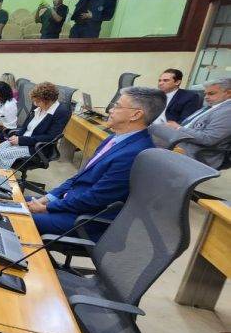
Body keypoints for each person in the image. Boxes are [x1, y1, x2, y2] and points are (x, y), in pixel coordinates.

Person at [27, 87, 164, 239]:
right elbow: (79, 178)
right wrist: (48, 199)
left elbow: (95, 198)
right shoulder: (113, 139)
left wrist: (48, 208)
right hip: (72, 203)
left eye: (117, 106)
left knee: (18, 220)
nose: (110, 110)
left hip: (86, 219)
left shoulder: (135, 153)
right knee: (15, 200)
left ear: (136, 114)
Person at [0, 82, 70, 170]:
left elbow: (50, 137)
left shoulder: (60, 112)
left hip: (35, 147)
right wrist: (17, 135)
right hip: (22, 140)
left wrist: (21, 140)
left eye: (38, 101)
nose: (35, 104)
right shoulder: (38, 106)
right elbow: (26, 127)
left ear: (48, 101)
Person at [149, 77, 231, 169]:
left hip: (197, 152)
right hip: (180, 141)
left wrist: (178, 128)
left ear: (228, 93)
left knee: (145, 148)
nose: (206, 97)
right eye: (205, 94)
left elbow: (208, 139)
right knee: (143, 137)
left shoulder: (227, 111)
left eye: (211, 93)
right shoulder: (212, 106)